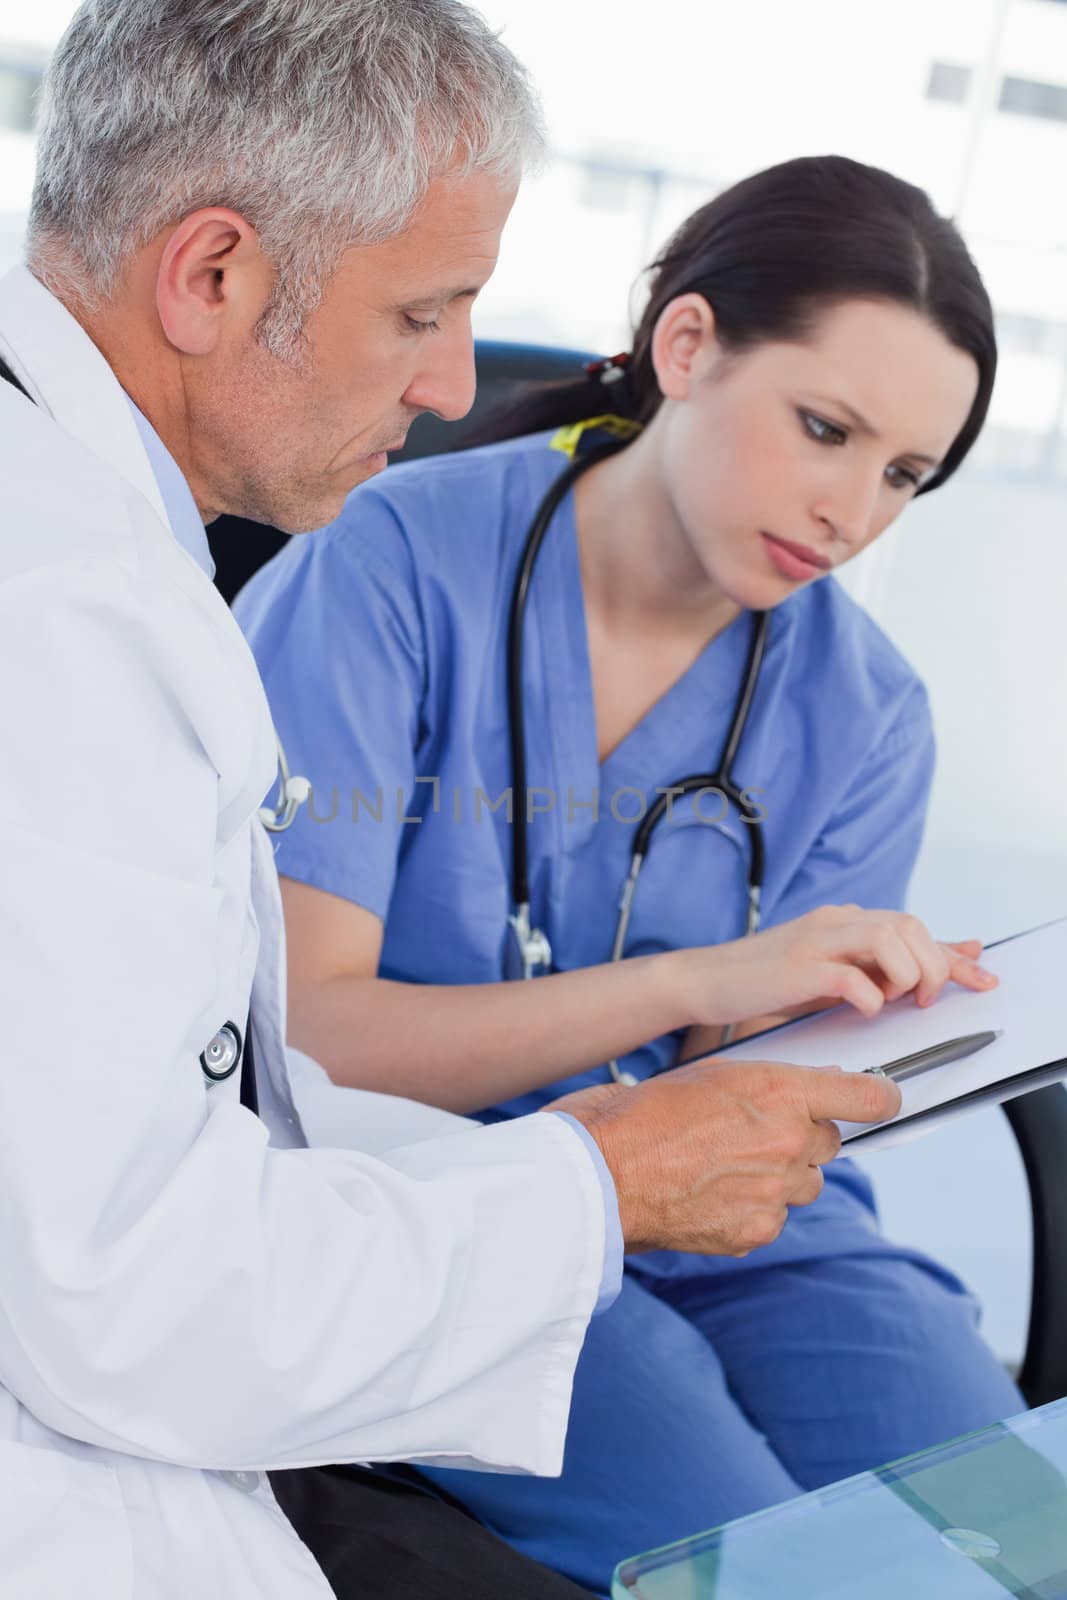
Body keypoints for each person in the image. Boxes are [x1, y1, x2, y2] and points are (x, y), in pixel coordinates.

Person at [0, 5, 912, 1598]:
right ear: (211, 275)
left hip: (399, 1257)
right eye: (421, 311)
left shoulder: (101, 553)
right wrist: (601, 1174)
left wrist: (608, 1152)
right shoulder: (76, 626)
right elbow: (134, 1295)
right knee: (764, 1556)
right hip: (125, 1450)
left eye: (910, 470)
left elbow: (202, 1116)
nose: (457, 381)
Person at [236, 154, 1023, 1595]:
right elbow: (306, 1042)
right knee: (762, 1563)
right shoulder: (388, 570)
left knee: (998, 1518)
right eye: (825, 429)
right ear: (685, 347)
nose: (854, 511)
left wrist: (860, 1016)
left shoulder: (866, 705)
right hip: (458, 1205)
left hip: (750, 1216)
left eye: (902, 474)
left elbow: (759, 1078)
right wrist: (694, 980)